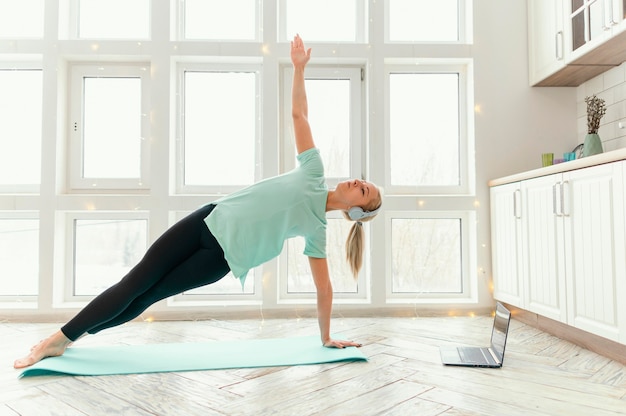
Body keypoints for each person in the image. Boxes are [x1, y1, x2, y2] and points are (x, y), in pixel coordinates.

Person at [14, 35, 382, 369]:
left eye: (363, 191)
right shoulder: (314, 169)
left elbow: (324, 289)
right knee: (134, 283)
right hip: (207, 220)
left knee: (146, 298)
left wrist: (325, 337)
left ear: (354, 212)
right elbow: (299, 115)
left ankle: (68, 338)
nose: (357, 182)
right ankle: (58, 339)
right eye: (363, 182)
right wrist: (299, 70)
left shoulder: (316, 230)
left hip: (219, 260)